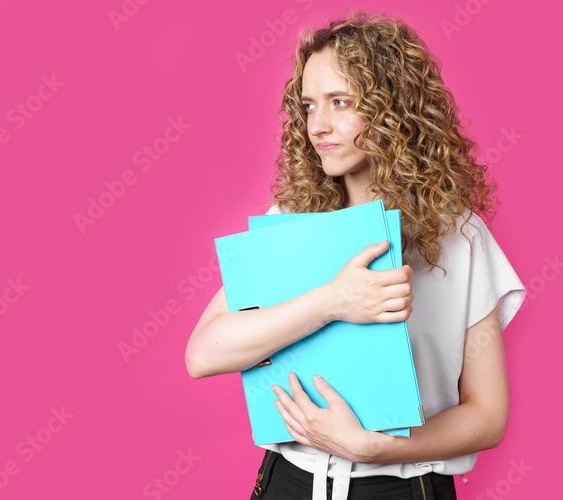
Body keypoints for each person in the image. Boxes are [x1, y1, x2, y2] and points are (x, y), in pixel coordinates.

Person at [184, 11, 526, 500]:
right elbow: (203, 353)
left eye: (340, 102)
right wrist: (334, 301)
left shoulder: (460, 235)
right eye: (307, 106)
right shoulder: (290, 220)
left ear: (395, 110)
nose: (317, 126)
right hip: (289, 481)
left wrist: (375, 449)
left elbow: (487, 416)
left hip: (405, 489)